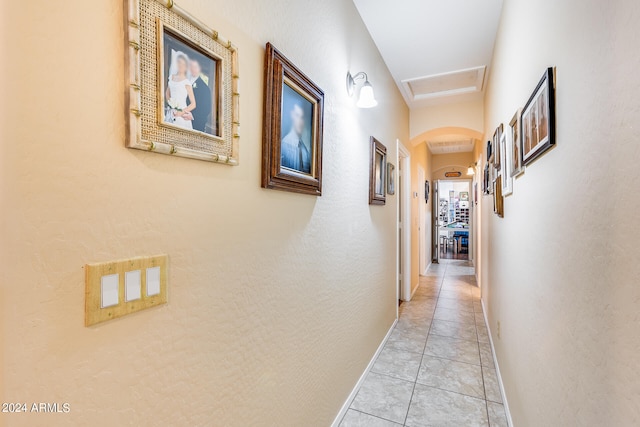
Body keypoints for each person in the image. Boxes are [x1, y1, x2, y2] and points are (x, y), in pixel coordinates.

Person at [165, 52, 196, 130]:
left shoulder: (186, 82)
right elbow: (167, 94)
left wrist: (181, 112)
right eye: (179, 63)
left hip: (181, 114)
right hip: (171, 112)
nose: (181, 66)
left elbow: (193, 104)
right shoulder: (171, 77)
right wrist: (171, 105)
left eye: (183, 64)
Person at [281, 104, 311, 173]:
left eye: (302, 117)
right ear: (292, 116)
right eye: (297, 116)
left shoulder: (305, 150)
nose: (300, 121)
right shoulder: (284, 145)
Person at [185, 59, 212, 134]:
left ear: (199, 69)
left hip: (194, 125)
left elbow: (206, 109)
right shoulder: (183, 81)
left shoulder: (204, 88)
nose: (192, 69)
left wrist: (192, 116)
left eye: (195, 67)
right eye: (190, 66)